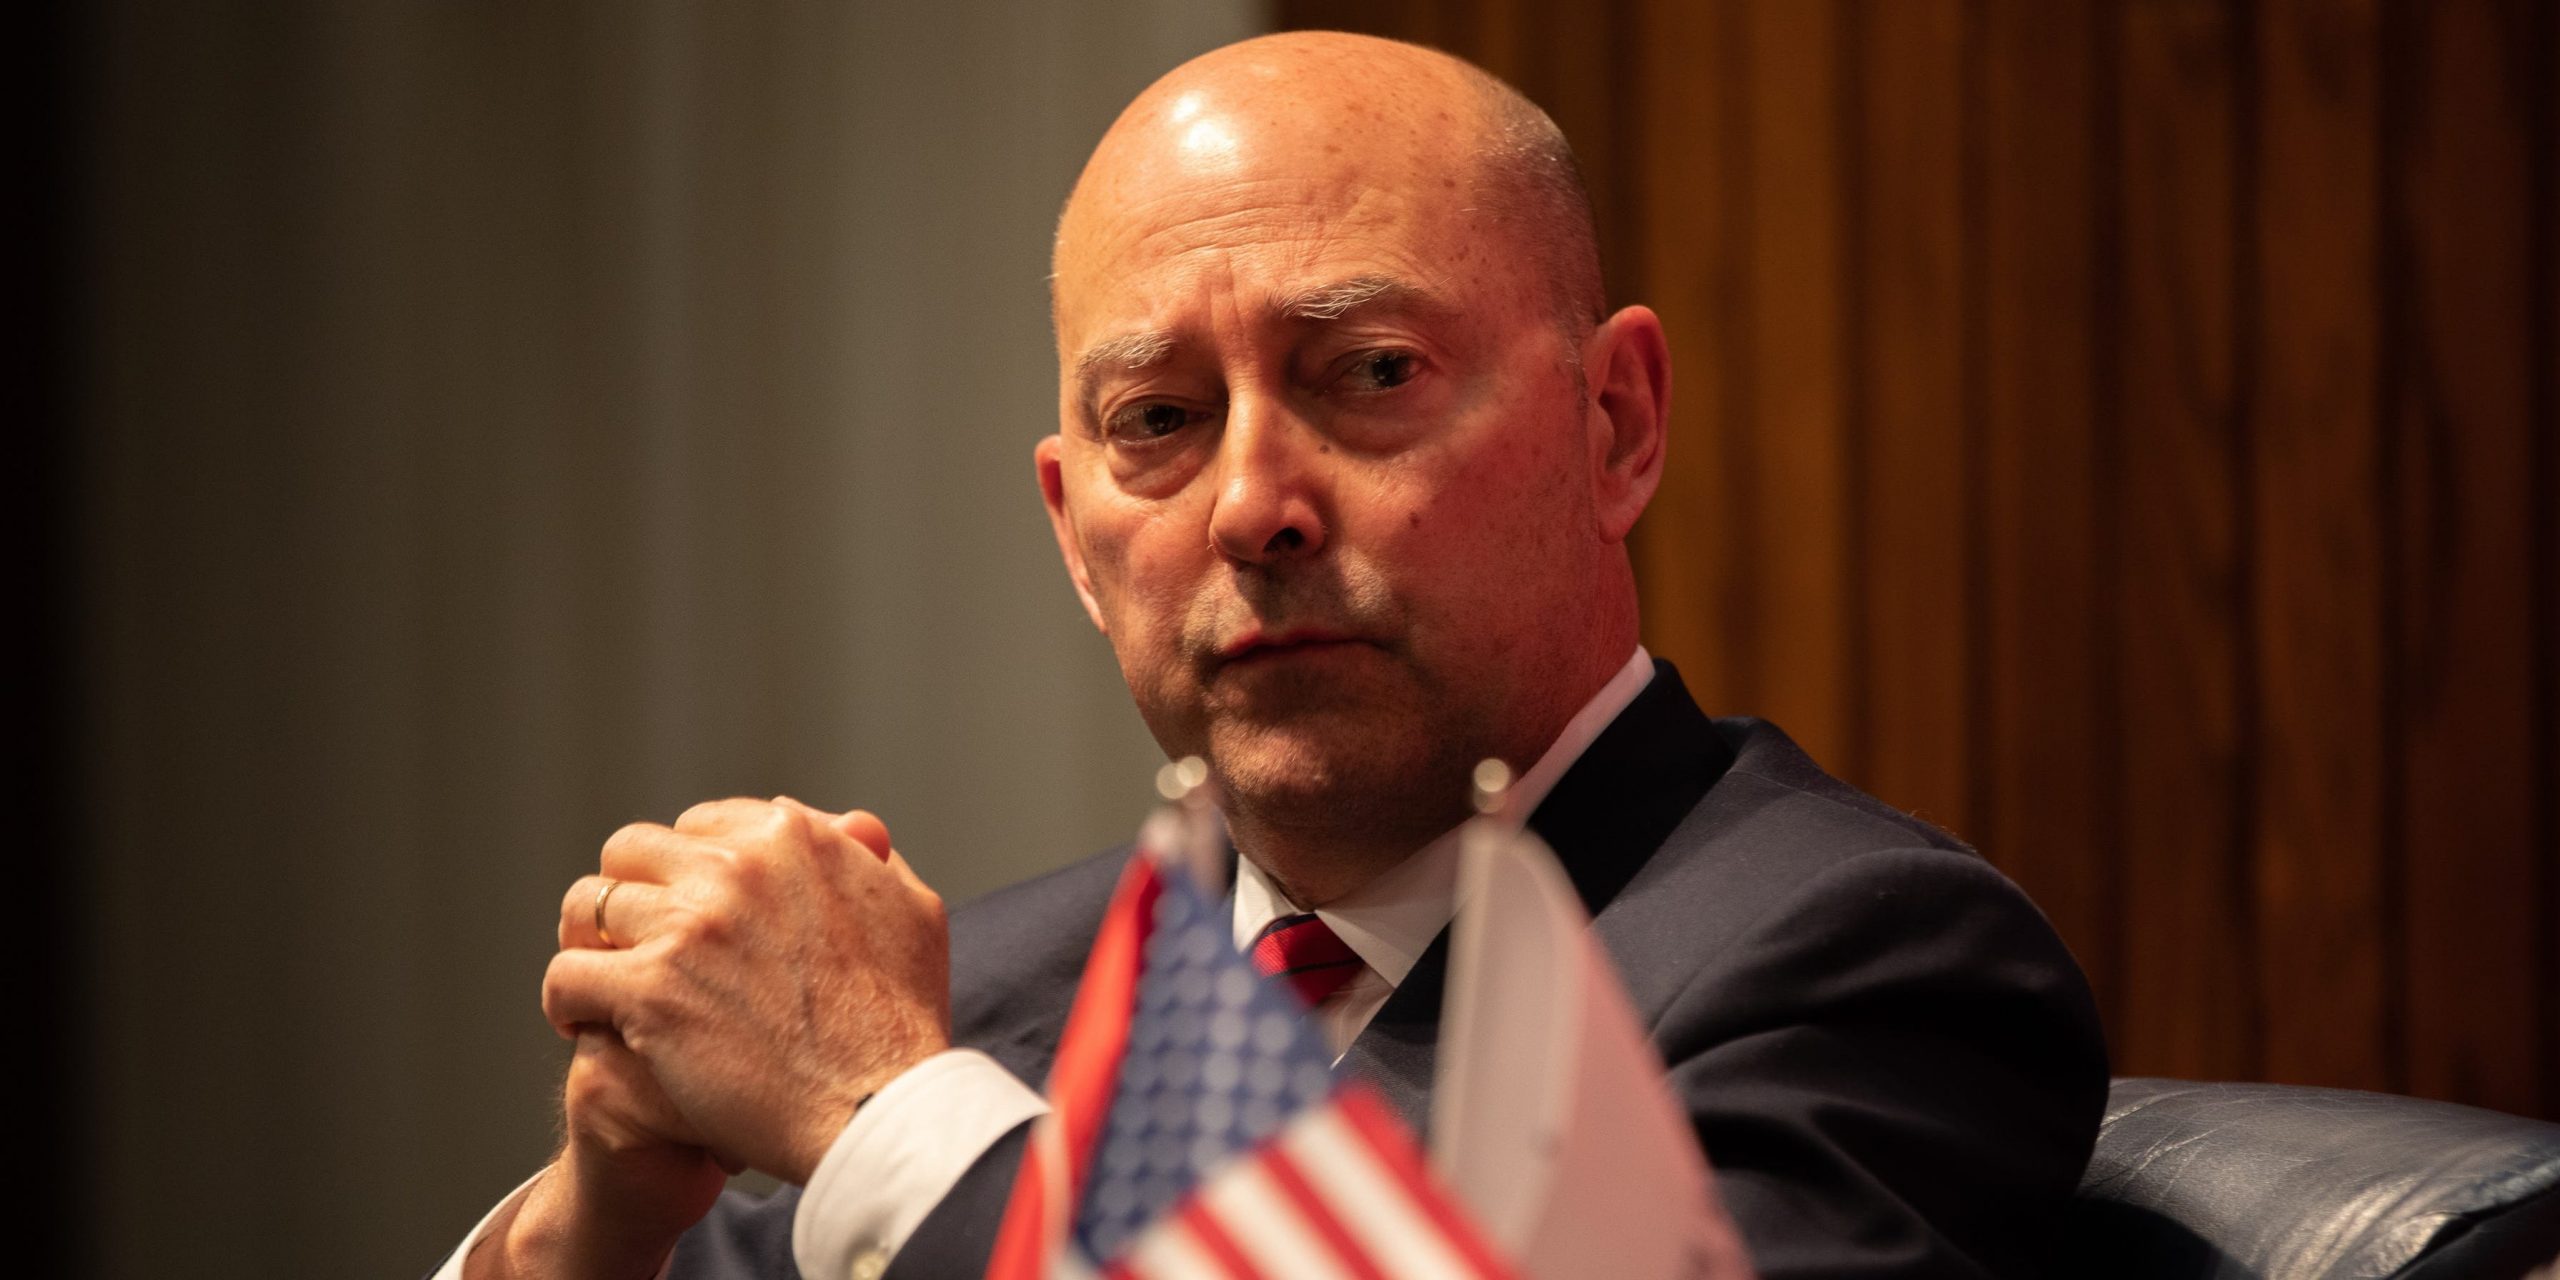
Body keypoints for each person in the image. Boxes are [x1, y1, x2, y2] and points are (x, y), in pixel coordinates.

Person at [437, 31, 2107, 1280]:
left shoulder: (1857, 969)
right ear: (1072, 532)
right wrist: (589, 1231)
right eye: (1158, 422)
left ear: (1617, 424)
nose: (1252, 505)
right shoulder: (1002, 989)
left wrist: (887, 1112)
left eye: (1370, 372)